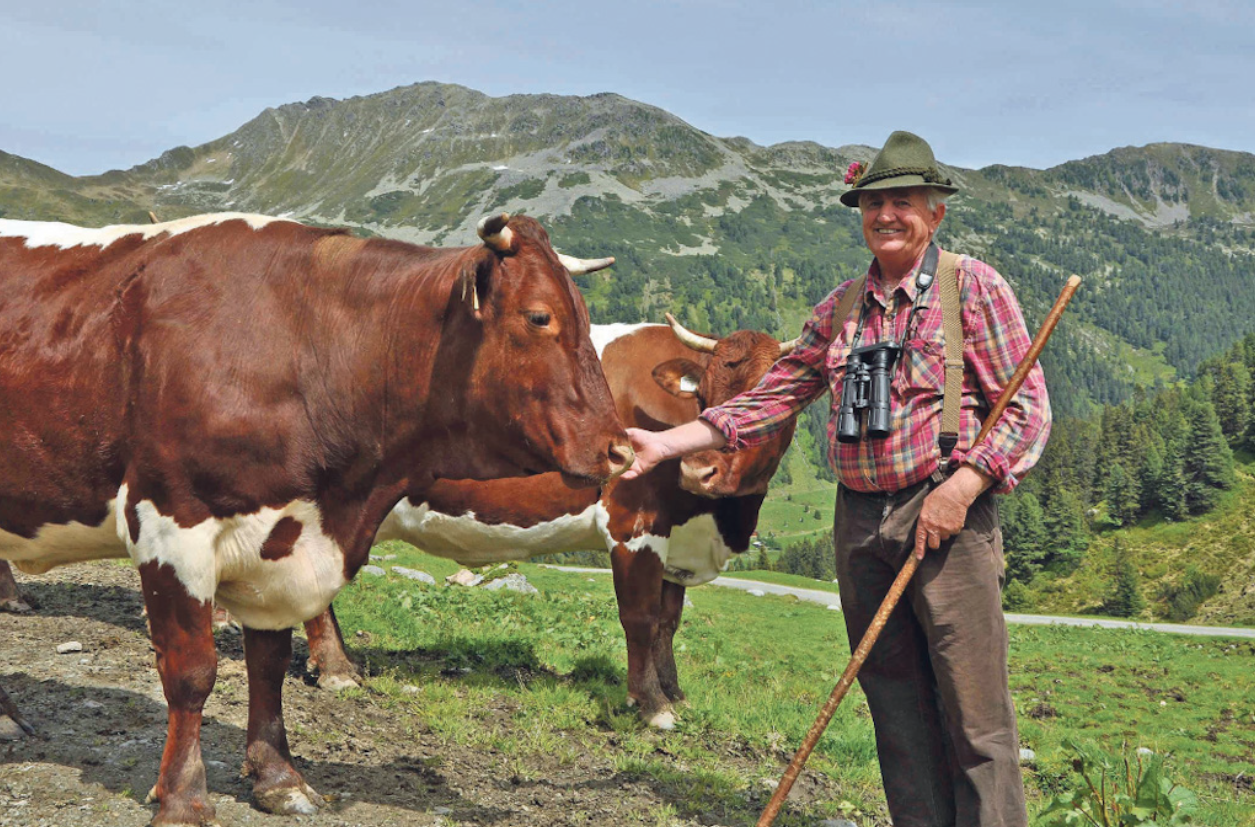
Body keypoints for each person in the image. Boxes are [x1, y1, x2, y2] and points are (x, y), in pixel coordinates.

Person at [622, 130, 1051, 827]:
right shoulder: (841, 306)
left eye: (902, 202)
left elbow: (1027, 408)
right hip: (857, 521)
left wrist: (964, 485)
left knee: (975, 715)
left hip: (944, 513)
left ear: (934, 212)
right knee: (894, 702)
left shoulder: (971, 287)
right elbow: (769, 397)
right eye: (873, 202)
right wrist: (665, 441)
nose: (886, 215)